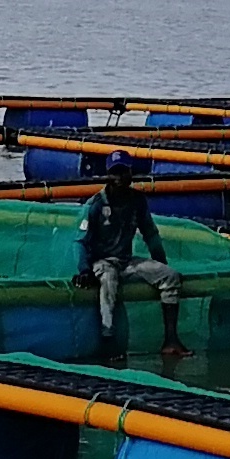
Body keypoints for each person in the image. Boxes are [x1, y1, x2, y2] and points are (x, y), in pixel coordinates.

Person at [76, 151, 183, 356]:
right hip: (103, 262)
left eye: (124, 172)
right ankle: (108, 338)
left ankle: (171, 340)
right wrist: (84, 269)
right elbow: (80, 241)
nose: (119, 179)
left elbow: (150, 234)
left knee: (170, 277)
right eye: (115, 173)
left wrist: (162, 263)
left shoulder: (137, 201)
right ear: (108, 175)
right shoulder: (96, 204)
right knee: (108, 280)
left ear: (131, 174)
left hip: (126, 261)